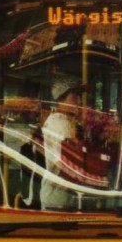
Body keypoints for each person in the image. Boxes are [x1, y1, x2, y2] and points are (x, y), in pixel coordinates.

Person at [40, 76, 83, 209]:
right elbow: (65, 162)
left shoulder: (62, 120)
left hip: (59, 194)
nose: (79, 101)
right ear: (61, 98)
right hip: (57, 197)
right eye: (74, 96)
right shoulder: (59, 124)